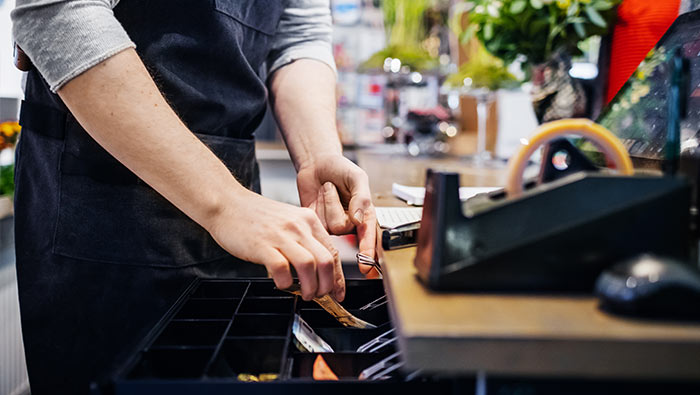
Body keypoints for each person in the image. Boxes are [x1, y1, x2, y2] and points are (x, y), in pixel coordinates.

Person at [10, 0, 377, 393]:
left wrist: (318, 154)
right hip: (103, 204)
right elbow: (56, 12)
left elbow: (298, 37)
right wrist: (225, 203)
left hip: (235, 199)